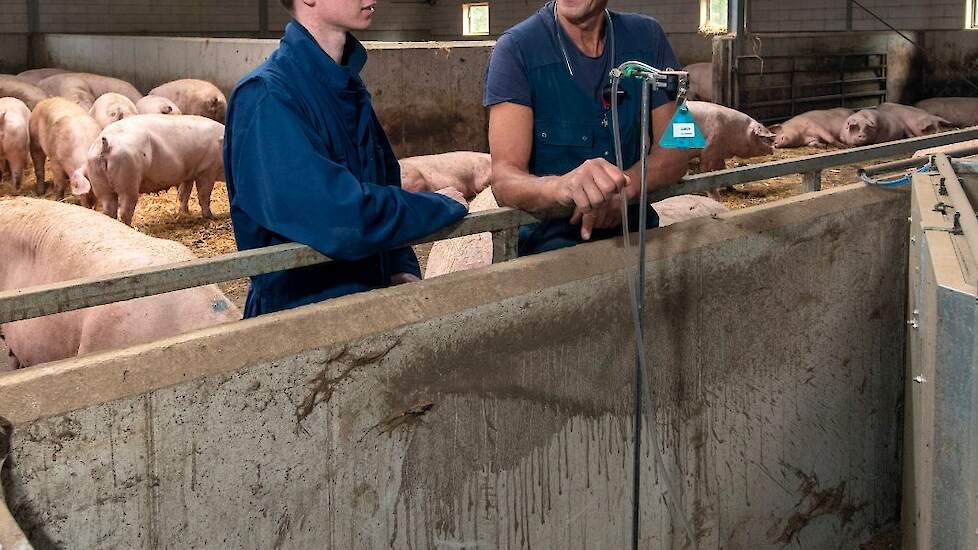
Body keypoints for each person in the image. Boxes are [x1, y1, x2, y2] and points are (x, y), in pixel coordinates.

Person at [224, 0, 469, 318]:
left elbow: (383, 181)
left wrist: (397, 266)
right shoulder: (268, 96)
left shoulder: (348, 87)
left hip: (368, 305)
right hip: (301, 321)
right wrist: (438, 206)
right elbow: (336, 214)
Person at [485, 0, 690, 256]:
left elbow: (681, 147)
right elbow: (504, 178)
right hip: (548, 253)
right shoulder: (516, 50)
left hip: (638, 244)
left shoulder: (649, 37)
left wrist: (626, 187)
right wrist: (563, 187)